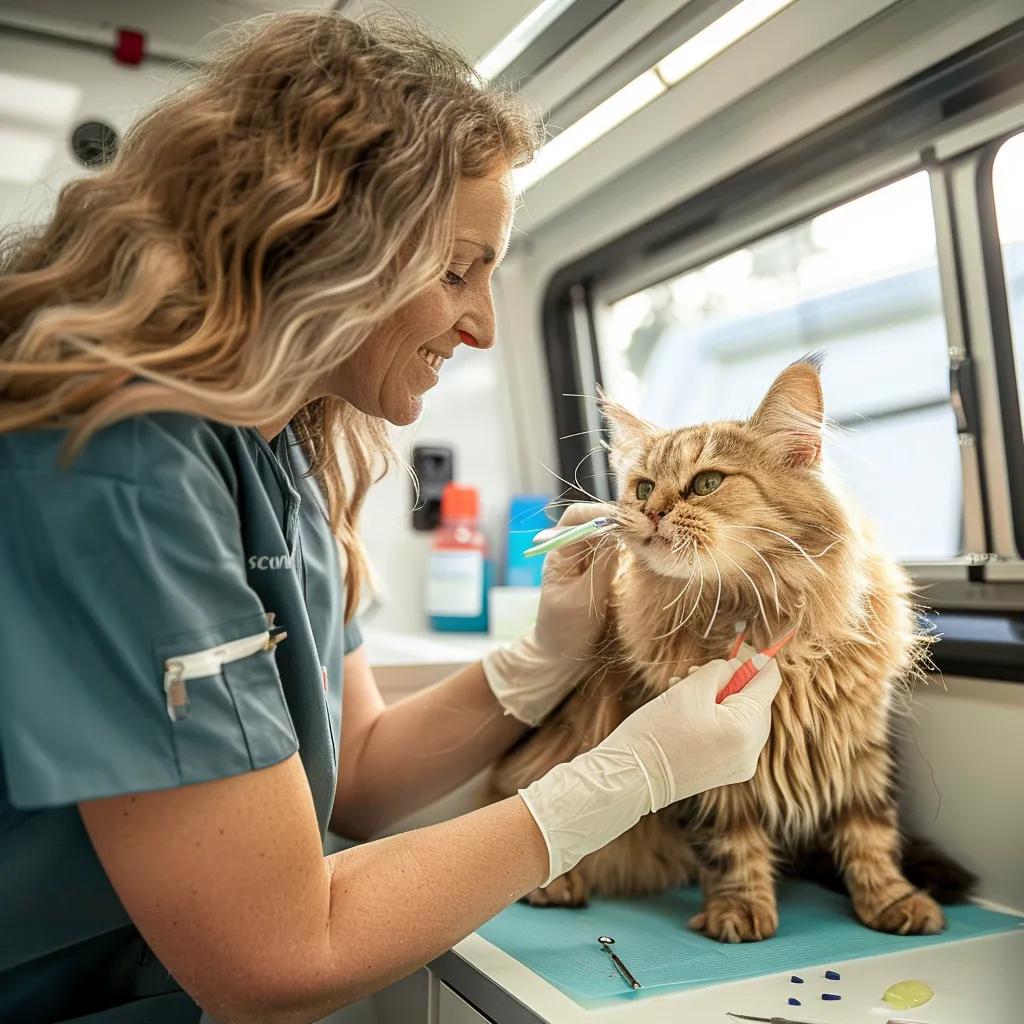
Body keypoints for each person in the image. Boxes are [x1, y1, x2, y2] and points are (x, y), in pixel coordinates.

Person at [0, 12, 783, 1024]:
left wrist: (538, 663)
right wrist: (630, 775)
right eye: (455, 268)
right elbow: (279, 950)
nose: (485, 323)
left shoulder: (284, 449)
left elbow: (355, 774)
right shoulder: (121, 460)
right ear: (313, 237)